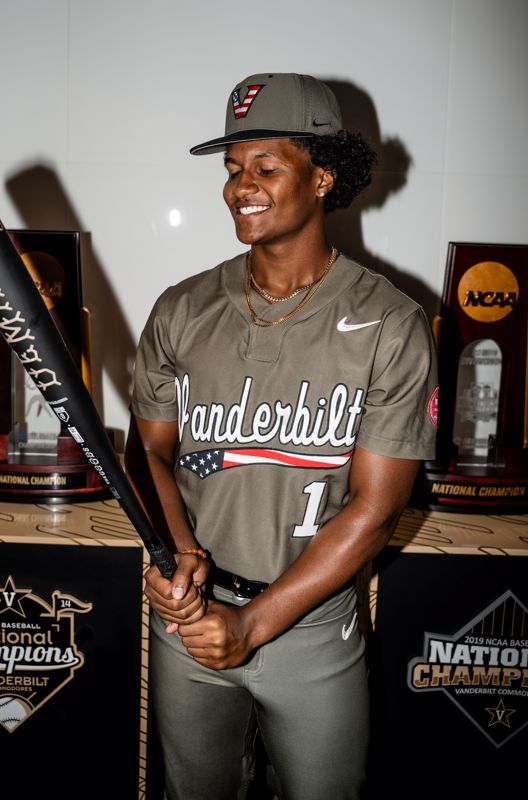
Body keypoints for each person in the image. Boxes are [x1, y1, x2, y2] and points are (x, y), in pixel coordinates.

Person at [125, 72, 438, 800]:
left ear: (323, 177)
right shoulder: (180, 309)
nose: (242, 186)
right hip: (193, 619)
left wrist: (254, 624)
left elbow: (376, 511)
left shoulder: (391, 323)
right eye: (234, 168)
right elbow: (151, 452)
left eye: (266, 167)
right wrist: (178, 558)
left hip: (312, 628)